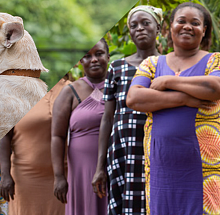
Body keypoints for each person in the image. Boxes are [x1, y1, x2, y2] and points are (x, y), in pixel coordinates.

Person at [126, 2, 220, 214]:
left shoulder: (215, 61)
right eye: (182, 21)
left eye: (195, 23)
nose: (187, 26)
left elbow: (215, 87)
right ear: (170, 27)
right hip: (161, 167)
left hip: (203, 167)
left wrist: (169, 82)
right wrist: (185, 99)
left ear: (204, 30)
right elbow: (134, 98)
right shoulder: (151, 63)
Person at [91, 5, 162, 215]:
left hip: (156, 147)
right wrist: (99, 166)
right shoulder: (117, 67)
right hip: (123, 148)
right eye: (134, 25)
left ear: (158, 28)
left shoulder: (168, 65)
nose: (139, 28)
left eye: (145, 23)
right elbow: (108, 117)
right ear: (129, 32)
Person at [51, 38, 110, 215]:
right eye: (87, 56)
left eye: (99, 54)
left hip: (114, 164)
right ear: (80, 61)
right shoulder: (70, 91)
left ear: (108, 56)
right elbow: (57, 136)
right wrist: (59, 176)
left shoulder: (119, 85)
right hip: (81, 169)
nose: (93, 59)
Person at [0, 75, 71, 215]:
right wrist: (5, 174)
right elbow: (4, 136)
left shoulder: (70, 88)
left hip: (64, 176)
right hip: (25, 177)